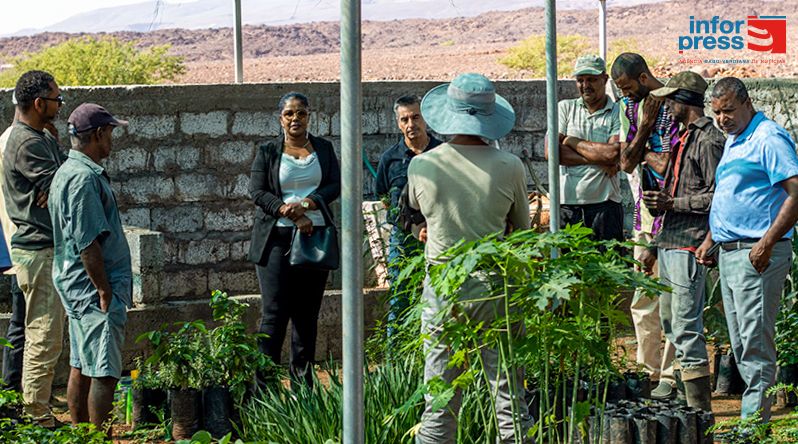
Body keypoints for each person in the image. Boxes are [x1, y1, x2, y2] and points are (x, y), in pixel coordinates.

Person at [408, 73, 532, 443]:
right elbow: (521, 228)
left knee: (441, 396)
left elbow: (419, 213)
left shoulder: (423, 166)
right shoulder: (509, 165)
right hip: (496, 287)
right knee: (509, 395)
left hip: (444, 287)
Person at [697, 77, 798, 423]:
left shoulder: (768, 138)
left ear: (746, 102)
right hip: (731, 253)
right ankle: (752, 424)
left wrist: (766, 243)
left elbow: (796, 193)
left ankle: (754, 428)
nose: (722, 119)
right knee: (741, 342)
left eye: (728, 111)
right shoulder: (736, 139)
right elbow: (732, 195)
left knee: (755, 343)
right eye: (716, 113)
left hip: (756, 253)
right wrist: (712, 240)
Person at [642, 71, 724, 411]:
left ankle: (700, 412)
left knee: (687, 326)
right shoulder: (684, 137)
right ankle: (686, 401)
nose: (666, 106)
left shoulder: (708, 141)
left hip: (691, 243)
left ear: (684, 101)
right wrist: (653, 242)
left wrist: (670, 204)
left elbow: (718, 197)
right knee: (671, 322)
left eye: (670, 100)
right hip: (671, 240)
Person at [248, 92, 341, 388]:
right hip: (277, 239)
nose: (295, 119)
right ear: (280, 119)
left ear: (309, 116)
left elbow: (334, 185)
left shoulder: (324, 149)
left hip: (314, 239)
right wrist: (286, 210)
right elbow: (257, 191)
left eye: (301, 113)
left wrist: (309, 205)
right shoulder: (268, 151)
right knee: (274, 315)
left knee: (306, 316)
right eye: (289, 114)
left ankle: (304, 391)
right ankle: (263, 391)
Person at [49, 103, 132, 433]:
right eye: (110, 132)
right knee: (104, 370)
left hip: (75, 283)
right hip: (93, 287)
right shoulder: (83, 179)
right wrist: (103, 289)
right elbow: (87, 242)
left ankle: (81, 435)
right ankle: (99, 438)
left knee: (81, 363)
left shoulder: (68, 171)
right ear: (98, 134)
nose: (112, 139)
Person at [610, 53, 679, 400]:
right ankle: (646, 370)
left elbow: (668, 166)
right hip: (644, 216)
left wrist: (643, 144)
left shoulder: (671, 105)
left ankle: (669, 373)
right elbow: (625, 162)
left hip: (674, 217)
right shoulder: (630, 107)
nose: (624, 94)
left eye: (627, 87)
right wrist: (645, 130)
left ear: (643, 76)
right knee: (642, 296)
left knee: (671, 298)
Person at [2, 70, 67, 427]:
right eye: (57, 99)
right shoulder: (27, 143)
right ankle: (37, 415)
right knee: (44, 333)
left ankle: (29, 407)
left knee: (33, 330)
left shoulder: (35, 136)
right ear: (39, 103)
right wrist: (55, 183)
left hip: (35, 250)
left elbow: (58, 185)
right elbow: (67, 188)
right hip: (38, 251)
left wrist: (56, 164)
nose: (59, 105)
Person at [375, 95, 441, 331]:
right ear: (398, 124)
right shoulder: (390, 158)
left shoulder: (444, 153)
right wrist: (412, 227)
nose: (411, 124)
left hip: (441, 236)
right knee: (400, 298)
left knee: (441, 295)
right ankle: (397, 361)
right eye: (405, 119)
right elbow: (383, 198)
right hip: (403, 239)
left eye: (416, 117)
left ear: (425, 119)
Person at [544, 54, 623, 242]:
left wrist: (570, 141)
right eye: (580, 80)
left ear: (604, 79)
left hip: (605, 205)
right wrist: (600, 157)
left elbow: (613, 153)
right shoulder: (564, 108)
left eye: (592, 80)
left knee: (607, 266)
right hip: (568, 206)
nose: (585, 85)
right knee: (569, 267)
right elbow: (551, 153)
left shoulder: (617, 111)